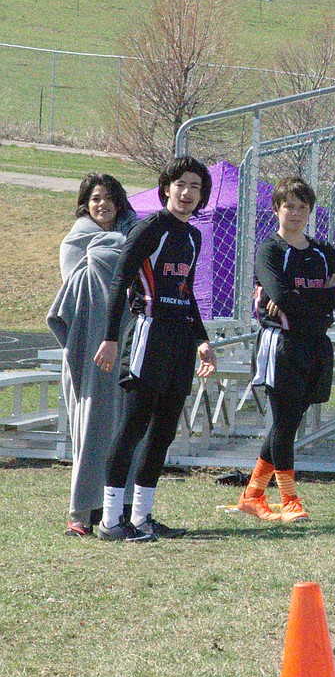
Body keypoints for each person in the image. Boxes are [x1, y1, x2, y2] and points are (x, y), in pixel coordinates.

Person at [93, 157, 218, 541]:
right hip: (148, 335)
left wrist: (202, 341)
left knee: (163, 432)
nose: (187, 193)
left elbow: (187, 294)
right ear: (166, 188)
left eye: (195, 187)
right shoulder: (150, 229)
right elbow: (120, 284)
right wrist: (111, 337)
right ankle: (112, 522)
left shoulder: (194, 236)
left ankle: (143, 519)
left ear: (202, 195)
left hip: (180, 341)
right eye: (180, 184)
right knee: (133, 427)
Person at [234, 175, 335, 522]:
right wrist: (312, 297)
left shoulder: (323, 251)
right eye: (289, 206)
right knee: (284, 422)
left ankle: (253, 495)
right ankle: (289, 500)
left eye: (303, 207)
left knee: (288, 424)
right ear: (276, 209)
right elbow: (281, 296)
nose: (296, 213)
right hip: (283, 344)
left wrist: (302, 298)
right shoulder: (270, 250)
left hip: (317, 343)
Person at [47, 173, 138, 536]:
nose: (103, 204)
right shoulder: (76, 241)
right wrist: (116, 249)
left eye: (109, 198)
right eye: (96, 198)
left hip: (127, 342)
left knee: (126, 427)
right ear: (86, 203)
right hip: (87, 348)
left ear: (120, 202)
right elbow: (82, 277)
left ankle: (115, 510)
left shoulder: (137, 236)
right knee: (91, 425)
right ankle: (80, 512)